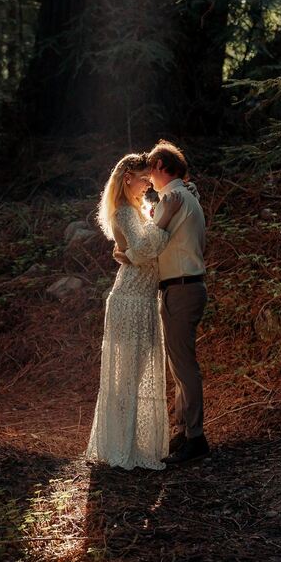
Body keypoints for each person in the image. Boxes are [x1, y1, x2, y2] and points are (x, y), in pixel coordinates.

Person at [85, 153, 183, 471]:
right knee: (127, 376)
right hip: (130, 299)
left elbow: (139, 250)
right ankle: (120, 447)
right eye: (144, 179)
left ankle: (128, 443)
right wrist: (164, 224)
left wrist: (133, 248)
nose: (147, 185)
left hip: (142, 299)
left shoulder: (138, 209)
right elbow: (142, 251)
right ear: (128, 178)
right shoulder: (126, 211)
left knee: (136, 375)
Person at [116, 140, 210, 465]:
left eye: (150, 171)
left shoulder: (173, 196)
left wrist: (126, 254)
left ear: (159, 167)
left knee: (184, 367)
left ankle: (195, 439)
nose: (148, 180)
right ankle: (185, 432)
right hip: (186, 287)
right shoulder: (188, 195)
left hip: (182, 288)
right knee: (180, 365)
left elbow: (146, 249)